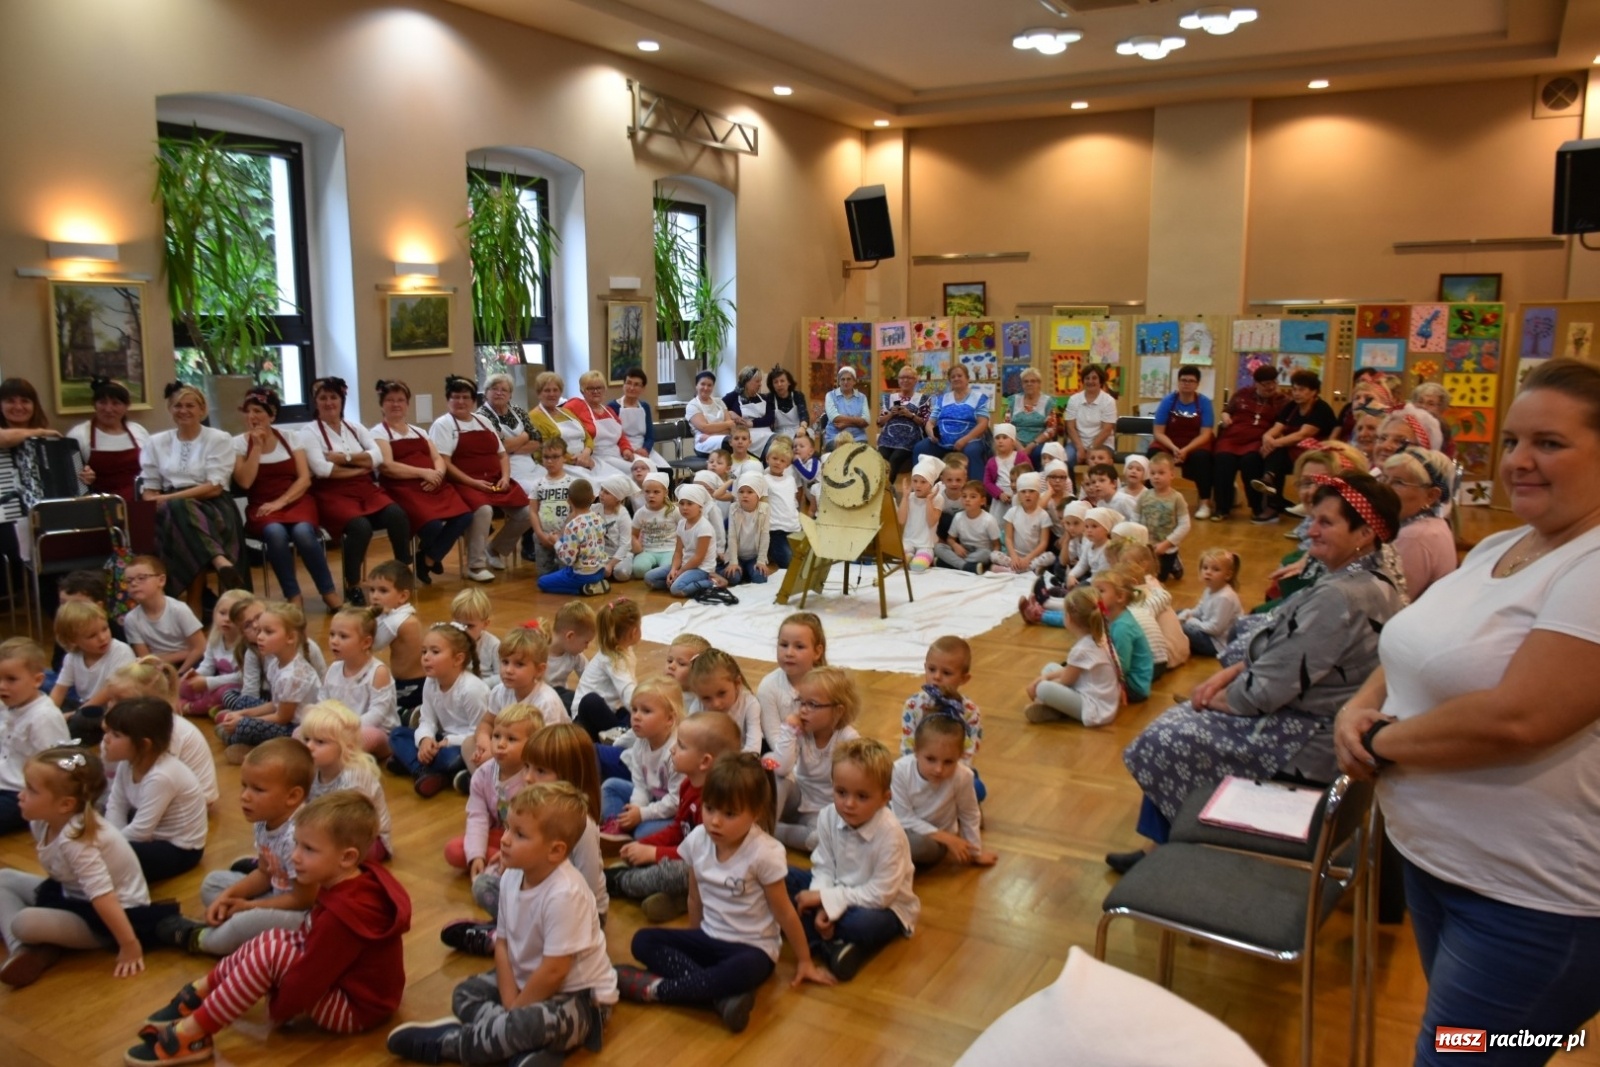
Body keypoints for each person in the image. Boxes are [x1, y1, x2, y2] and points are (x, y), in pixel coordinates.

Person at [1331, 360, 1600, 1064]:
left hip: (1533, 901)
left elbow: (1520, 719)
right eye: (1512, 441)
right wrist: (1360, 705)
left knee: (1463, 1052)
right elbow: (1417, 635)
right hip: (1443, 864)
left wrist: (1380, 744)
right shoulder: (1511, 542)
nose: (1519, 461)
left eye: (1549, 443)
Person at [1111, 473, 1405, 873]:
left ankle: (1177, 855)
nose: (1310, 530)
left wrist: (1214, 696)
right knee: (1182, 721)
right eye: (1313, 519)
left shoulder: (1342, 595)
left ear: (1366, 532)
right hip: (1312, 712)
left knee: (1168, 736)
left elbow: (1265, 690)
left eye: (1326, 522)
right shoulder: (1368, 575)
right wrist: (1232, 672)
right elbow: (1287, 653)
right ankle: (1164, 844)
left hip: (1311, 738)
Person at [132, 791, 410, 1066]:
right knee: (273, 938)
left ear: (347, 858)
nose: (295, 856)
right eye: (296, 844)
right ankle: (206, 989)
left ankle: (194, 1033)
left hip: (357, 1009)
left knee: (272, 953)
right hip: (353, 991)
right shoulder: (349, 880)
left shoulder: (341, 917)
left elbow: (308, 980)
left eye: (308, 849)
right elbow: (311, 948)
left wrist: (279, 1004)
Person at [387, 781, 615, 1067]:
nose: (505, 840)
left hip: (581, 1000)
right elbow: (503, 943)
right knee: (465, 994)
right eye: (507, 828)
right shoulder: (511, 876)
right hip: (525, 982)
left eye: (519, 834)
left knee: (527, 1023)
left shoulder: (565, 894)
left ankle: (449, 1043)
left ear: (556, 851)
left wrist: (516, 1011)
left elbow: (555, 971)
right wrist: (511, 1007)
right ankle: (516, 1046)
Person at [615, 752, 834, 1031]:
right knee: (643, 941)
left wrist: (804, 961)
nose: (715, 821)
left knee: (741, 971)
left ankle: (658, 990)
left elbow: (785, 913)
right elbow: (694, 898)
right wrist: (695, 940)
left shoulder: (765, 853)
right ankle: (718, 998)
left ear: (756, 813)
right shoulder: (697, 840)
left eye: (729, 814)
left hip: (753, 950)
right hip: (709, 938)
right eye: (709, 809)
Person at [0, 747, 164, 987]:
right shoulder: (41, 822)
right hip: (73, 896)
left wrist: (129, 944)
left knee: (23, 923)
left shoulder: (77, 840)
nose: (20, 796)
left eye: (31, 790)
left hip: (107, 917)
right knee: (3, 879)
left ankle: (35, 946)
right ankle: (26, 950)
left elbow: (103, 897)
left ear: (65, 804)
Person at [157, 737, 316, 956]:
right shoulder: (263, 819)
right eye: (244, 785)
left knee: (245, 922)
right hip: (276, 894)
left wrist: (248, 907)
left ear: (293, 796)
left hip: (305, 914)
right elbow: (264, 873)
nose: (244, 796)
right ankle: (238, 930)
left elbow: (304, 899)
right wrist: (228, 896)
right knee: (212, 884)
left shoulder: (297, 837)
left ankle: (200, 938)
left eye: (258, 789)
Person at [784, 737, 917, 982]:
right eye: (841, 792)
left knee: (862, 924)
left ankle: (815, 938)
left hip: (883, 906)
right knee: (782, 879)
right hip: (838, 890)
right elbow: (823, 867)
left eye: (862, 796)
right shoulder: (827, 816)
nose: (849, 804)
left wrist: (827, 901)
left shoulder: (891, 834)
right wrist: (822, 903)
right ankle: (833, 946)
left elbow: (881, 894)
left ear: (884, 798)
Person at [300, 377, 412, 605]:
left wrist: (345, 459)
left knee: (397, 514)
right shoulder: (308, 432)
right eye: (323, 398)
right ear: (316, 402)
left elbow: (377, 457)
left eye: (333, 397)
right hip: (331, 494)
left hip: (365, 489)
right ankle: (353, 584)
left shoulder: (355, 427)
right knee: (360, 527)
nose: (329, 403)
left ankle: (403, 571)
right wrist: (361, 466)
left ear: (341, 400)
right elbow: (323, 470)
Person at [232, 387, 341, 611]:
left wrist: (280, 502)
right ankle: (293, 595)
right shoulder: (238, 443)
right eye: (248, 411)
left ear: (272, 415)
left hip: (296, 500)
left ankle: (328, 592)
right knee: (275, 534)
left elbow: (304, 479)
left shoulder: (291, 437)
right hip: (261, 505)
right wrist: (257, 447)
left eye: (258, 411)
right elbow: (244, 482)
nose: (252, 417)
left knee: (303, 533)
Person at [141, 384, 249, 600]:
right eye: (178, 406)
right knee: (179, 516)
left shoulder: (219, 438)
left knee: (180, 513)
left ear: (202, 409)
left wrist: (167, 499)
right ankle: (219, 561)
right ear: (170, 409)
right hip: (169, 509)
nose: (183, 410)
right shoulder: (155, 442)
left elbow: (214, 487)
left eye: (190, 405)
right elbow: (150, 487)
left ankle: (194, 603)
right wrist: (154, 501)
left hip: (213, 505)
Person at [370, 379, 474, 584]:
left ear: (407, 404)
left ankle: (428, 558)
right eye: (390, 400)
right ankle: (431, 556)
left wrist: (438, 474)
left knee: (465, 515)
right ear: (382, 405)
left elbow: (437, 458)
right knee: (432, 526)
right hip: (402, 489)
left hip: (433, 484)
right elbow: (388, 466)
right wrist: (423, 473)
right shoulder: (378, 433)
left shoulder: (419, 431)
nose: (396, 404)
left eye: (401, 400)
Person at [431, 375, 533, 583]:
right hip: (462, 482)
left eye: (465, 397)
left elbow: (502, 455)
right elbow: (445, 463)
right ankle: (475, 565)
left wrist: (505, 477)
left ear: (473, 401)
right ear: (448, 400)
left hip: (494, 479)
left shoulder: (484, 421)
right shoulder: (442, 425)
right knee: (483, 510)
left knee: (528, 512)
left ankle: (495, 548)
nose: (460, 402)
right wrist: (473, 483)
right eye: (455, 397)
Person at [102, 697, 209, 883]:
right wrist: (109, 840)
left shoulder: (162, 776)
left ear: (144, 745)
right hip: (150, 834)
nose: (106, 739)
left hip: (179, 849)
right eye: (108, 732)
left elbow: (140, 831)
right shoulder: (127, 764)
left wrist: (105, 846)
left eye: (116, 735)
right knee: (98, 826)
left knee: (107, 859)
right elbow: (116, 805)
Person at [386, 623, 491, 799]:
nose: (426, 657)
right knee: (397, 734)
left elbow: (480, 733)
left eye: (435, 652)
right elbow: (427, 720)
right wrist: (425, 739)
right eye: (424, 651)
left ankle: (414, 766)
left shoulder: (472, 689)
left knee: (451, 758)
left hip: (462, 746)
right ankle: (425, 772)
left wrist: (449, 741)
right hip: (440, 740)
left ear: (458, 659)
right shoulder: (430, 681)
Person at [766, 664, 861, 853]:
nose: (803, 710)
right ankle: (764, 826)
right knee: (778, 776)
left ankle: (769, 831)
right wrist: (789, 730)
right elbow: (782, 767)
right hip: (795, 799)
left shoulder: (848, 739)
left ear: (838, 711)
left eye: (812, 705)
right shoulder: (801, 732)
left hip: (823, 811)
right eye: (801, 702)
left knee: (821, 840)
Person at [445, 700, 535, 886]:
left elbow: (535, 830)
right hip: (498, 835)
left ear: (532, 744)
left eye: (511, 739)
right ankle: (501, 864)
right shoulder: (482, 774)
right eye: (496, 736)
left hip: (526, 839)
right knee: (454, 850)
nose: (500, 744)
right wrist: (476, 855)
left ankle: (510, 865)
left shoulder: (533, 778)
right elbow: (477, 817)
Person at [215, 601, 320, 757]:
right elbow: (275, 704)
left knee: (244, 727)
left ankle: (254, 749)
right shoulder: (275, 663)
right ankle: (245, 741)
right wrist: (243, 713)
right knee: (243, 702)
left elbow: (282, 718)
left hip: (297, 728)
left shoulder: (293, 675)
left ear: (290, 637)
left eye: (268, 632)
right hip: (282, 717)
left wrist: (242, 721)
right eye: (260, 631)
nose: (260, 637)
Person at [892, 716, 994, 870]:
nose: (939, 769)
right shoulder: (899, 770)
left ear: (960, 756)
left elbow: (969, 814)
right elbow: (903, 818)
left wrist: (975, 853)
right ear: (916, 751)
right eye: (931, 759)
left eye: (948, 762)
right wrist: (949, 838)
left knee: (919, 846)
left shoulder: (964, 776)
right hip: (902, 827)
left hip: (933, 843)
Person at [299, 701, 394, 862]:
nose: (309, 746)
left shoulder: (354, 776)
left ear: (346, 746)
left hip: (367, 840)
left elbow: (348, 824)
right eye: (307, 739)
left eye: (320, 742)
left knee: (322, 855)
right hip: (330, 832)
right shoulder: (314, 768)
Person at [0, 638, 73, 834]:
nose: (2, 686)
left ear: (37, 680)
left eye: (11, 679)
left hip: (20, 793)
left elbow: (56, 768)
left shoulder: (44, 717)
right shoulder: (8, 706)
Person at [1023, 587, 1121, 727]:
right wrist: (1046, 677)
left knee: (1043, 689)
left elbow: (1065, 681)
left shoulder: (1082, 649)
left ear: (1068, 618)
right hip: (1102, 697)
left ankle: (1053, 707)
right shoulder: (1099, 637)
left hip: (1096, 708)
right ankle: (1055, 708)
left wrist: (1040, 683)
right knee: (1050, 667)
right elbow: (1070, 671)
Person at [600, 677, 682, 841]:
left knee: (642, 833)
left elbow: (676, 801)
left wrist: (642, 814)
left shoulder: (676, 752)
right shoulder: (640, 744)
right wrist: (635, 809)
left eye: (646, 711)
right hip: (654, 800)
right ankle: (617, 827)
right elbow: (640, 786)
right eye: (634, 709)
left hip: (677, 812)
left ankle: (629, 833)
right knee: (610, 786)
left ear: (669, 719)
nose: (636, 716)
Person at [1252, 369, 1337, 522]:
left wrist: (1273, 443)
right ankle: (1271, 493)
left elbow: (1302, 435)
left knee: (1275, 455)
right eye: (1294, 389)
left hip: (1316, 455)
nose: (1296, 393)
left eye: (1301, 390)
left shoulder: (1321, 408)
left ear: (1314, 391)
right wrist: (1267, 437)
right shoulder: (1292, 406)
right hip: (1293, 452)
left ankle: (1271, 495)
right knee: (1270, 456)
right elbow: (1277, 427)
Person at [1379, 448, 1458, 600]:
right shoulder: (1434, 524)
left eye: (1398, 483)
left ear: (1431, 496)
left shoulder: (1414, 536)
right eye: (1384, 478)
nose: (1384, 488)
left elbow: (1389, 602)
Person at [321, 604, 398, 758]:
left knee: (368, 736)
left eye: (343, 636)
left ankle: (335, 755)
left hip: (376, 731)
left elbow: (377, 714)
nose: (334, 641)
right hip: (339, 729)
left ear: (366, 643)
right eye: (332, 634)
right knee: (300, 731)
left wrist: (344, 728)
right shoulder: (333, 669)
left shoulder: (378, 672)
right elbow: (323, 702)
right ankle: (332, 754)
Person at [1209, 364, 1283, 521]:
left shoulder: (1281, 400)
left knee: (1251, 461)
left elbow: (1283, 424)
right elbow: (1227, 411)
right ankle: (1222, 508)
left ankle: (1257, 507)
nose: (1270, 387)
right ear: (1256, 383)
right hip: (1232, 438)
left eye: (1273, 383)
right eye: (1266, 384)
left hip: (1257, 440)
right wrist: (1225, 417)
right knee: (1223, 460)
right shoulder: (1243, 394)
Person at [70, 377, 151, 517]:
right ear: (94, 405)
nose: (108, 409)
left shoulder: (138, 431)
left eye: (116, 403)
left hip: (139, 504)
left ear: (126, 406)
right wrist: (84, 478)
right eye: (102, 402)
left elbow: (152, 469)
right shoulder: (79, 435)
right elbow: (71, 479)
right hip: (100, 508)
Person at [570, 598, 642, 742]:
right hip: (585, 721)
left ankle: (620, 733)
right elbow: (627, 690)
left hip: (609, 711)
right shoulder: (613, 659)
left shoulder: (622, 651)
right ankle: (622, 738)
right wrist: (643, 710)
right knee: (591, 701)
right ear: (635, 632)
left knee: (629, 712)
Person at [1151, 365, 1216, 519]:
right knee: (1153, 454)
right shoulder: (1168, 401)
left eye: (1191, 381)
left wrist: (1186, 450)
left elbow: (1206, 434)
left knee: (1202, 458)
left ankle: (1205, 502)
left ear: (1197, 384)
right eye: (1183, 380)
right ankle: (1152, 498)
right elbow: (1158, 432)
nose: (1187, 383)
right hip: (1170, 442)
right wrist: (1174, 448)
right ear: (1178, 382)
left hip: (1195, 443)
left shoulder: (1204, 403)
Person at [912, 363, 990, 473]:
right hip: (941, 442)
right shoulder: (942, 399)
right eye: (953, 377)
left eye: (959, 376)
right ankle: (921, 482)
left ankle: (976, 483)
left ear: (967, 379)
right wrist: (932, 434)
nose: (956, 378)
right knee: (920, 447)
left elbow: (983, 423)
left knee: (972, 451)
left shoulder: (978, 398)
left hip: (969, 441)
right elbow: (930, 423)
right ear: (950, 381)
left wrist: (965, 440)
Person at [538, 478, 610, 596]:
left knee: (542, 582)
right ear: (593, 498)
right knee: (563, 540)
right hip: (599, 571)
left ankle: (583, 589)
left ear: (568, 501)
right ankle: (595, 584)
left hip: (581, 575)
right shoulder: (599, 519)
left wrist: (556, 542)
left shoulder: (572, 526)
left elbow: (568, 559)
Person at [476, 371, 544, 497]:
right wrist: (525, 436)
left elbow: (538, 440)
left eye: (504, 390)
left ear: (510, 395)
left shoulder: (518, 411)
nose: (499, 393)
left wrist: (510, 448)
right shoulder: (482, 416)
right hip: (507, 473)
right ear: (486, 393)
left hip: (532, 466)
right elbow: (498, 447)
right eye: (494, 389)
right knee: (539, 491)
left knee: (558, 485)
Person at [687, 648, 763, 754]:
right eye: (706, 698)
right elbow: (690, 742)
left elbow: (754, 747)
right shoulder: (697, 707)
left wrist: (733, 762)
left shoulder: (750, 704)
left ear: (737, 683)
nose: (716, 704)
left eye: (721, 693)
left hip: (742, 759)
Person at [564, 370, 638, 478]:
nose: (596, 391)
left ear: (604, 390)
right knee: (631, 474)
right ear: (582, 391)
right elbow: (559, 416)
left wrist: (626, 449)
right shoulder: (576, 405)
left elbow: (620, 436)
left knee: (646, 466)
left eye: (599, 388)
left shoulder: (609, 411)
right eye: (590, 388)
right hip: (598, 459)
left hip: (618, 455)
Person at [1177, 548, 1243, 657]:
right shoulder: (1209, 589)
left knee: (1184, 628)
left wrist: (1191, 621)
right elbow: (1200, 610)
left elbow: (1215, 629)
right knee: (1178, 613)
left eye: (1215, 569)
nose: (1208, 572)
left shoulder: (1225, 598)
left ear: (1228, 575)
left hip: (1217, 643)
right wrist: (1187, 614)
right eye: (1205, 568)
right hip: (1207, 628)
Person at [527, 371, 596, 472]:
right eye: (547, 390)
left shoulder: (566, 412)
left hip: (585, 460)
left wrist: (586, 453)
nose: (552, 394)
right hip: (560, 466)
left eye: (555, 390)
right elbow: (544, 450)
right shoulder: (534, 417)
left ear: (560, 392)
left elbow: (587, 436)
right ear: (539, 393)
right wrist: (578, 460)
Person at [607, 366, 669, 471]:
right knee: (640, 471)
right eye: (628, 383)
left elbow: (650, 436)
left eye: (636, 385)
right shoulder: (613, 407)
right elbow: (612, 436)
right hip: (623, 451)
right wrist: (627, 450)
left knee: (665, 470)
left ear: (643, 388)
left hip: (643, 449)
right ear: (623, 384)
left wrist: (645, 449)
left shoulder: (645, 407)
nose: (631, 388)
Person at [876, 365, 929, 486]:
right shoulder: (889, 398)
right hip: (888, 437)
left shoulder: (923, 399)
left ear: (915, 380)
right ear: (898, 380)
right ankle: (881, 488)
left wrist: (910, 415)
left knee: (895, 459)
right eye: (902, 377)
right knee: (881, 459)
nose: (905, 380)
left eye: (909, 378)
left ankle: (886, 489)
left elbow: (925, 422)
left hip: (909, 437)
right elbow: (879, 422)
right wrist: (891, 414)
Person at [1062, 365, 1119, 470]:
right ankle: (1071, 482)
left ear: (1100, 381)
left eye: (1094, 378)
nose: (1090, 381)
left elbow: (1106, 430)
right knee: (1066, 460)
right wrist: (1080, 448)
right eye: (1087, 378)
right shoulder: (1073, 400)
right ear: (1083, 381)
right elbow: (1070, 427)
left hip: (1103, 444)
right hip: (1077, 443)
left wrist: (1091, 450)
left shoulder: (1109, 401)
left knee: (1098, 461)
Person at [722, 365, 776, 457]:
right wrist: (730, 413)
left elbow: (770, 418)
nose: (760, 384)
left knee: (778, 443)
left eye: (760, 381)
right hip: (746, 435)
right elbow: (719, 409)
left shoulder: (763, 398)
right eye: (757, 381)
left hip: (766, 434)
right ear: (747, 382)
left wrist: (752, 423)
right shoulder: (733, 397)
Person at [822, 365, 868, 450]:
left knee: (863, 453)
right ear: (839, 382)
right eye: (842, 379)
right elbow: (834, 418)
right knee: (844, 451)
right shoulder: (830, 395)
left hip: (858, 437)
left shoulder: (862, 397)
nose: (845, 382)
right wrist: (857, 421)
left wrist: (846, 424)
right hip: (835, 438)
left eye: (848, 379)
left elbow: (866, 421)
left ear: (854, 381)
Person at [766, 366, 811, 440]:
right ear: (772, 385)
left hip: (798, 430)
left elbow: (803, 415)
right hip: (779, 433)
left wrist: (803, 427)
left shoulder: (797, 395)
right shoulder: (769, 398)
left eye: (782, 381)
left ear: (789, 382)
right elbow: (769, 420)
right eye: (776, 382)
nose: (779, 384)